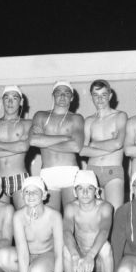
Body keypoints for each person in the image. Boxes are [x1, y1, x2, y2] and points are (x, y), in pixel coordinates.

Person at [0, 176, 64, 272]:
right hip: (29, 256)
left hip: (47, 256)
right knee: (2, 256)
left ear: (44, 195)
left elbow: (60, 255)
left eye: (35, 192)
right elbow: (22, 254)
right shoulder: (18, 216)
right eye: (27, 192)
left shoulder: (54, 216)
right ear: (22, 195)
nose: (31, 195)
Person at [62, 170, 121, 272]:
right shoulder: (71, 208)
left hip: (98, 259)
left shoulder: (105, 207)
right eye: (80, 189)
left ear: (97, 191)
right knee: (66, 250)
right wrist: (75, 256)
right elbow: (66, 231)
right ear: (75, 192)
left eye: (89, 188)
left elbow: (104, 231)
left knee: (106, 247)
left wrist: (91, 256)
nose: (85, 193)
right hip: (81, 259)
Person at [29, 81, 84, 211]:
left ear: (72, 97)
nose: (62, 96)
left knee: (72, 217)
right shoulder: (40, 115)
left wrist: (44, 140)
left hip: (70, 173)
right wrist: (65, 138)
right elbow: (33, 141)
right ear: (53, 95)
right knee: (50, 218)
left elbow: (76, 147)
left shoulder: (76, 118)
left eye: (67, 93)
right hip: (48, 173)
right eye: (59, 93)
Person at [0, 85, 32, 209]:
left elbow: (24, 146)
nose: (10, 102)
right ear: (1, 100)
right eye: (7, 98)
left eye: (14, 98)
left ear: (21, 102)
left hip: (19, 177)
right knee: (1, 219)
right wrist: (16, 150)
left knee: (25, 217)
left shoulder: (27, 123)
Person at [80, 79, 127, 210]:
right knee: (94, 215)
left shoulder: (120, 116)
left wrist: (93, 144)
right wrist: (109, 146)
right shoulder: (89, 121)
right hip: (92, 170)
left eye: (103, 95)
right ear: (91, 97)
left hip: (113, 170)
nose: (100, 99)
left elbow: (118, 143)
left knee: (115, 213)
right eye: (96, 95)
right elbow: (82, 150)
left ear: (110, 96)